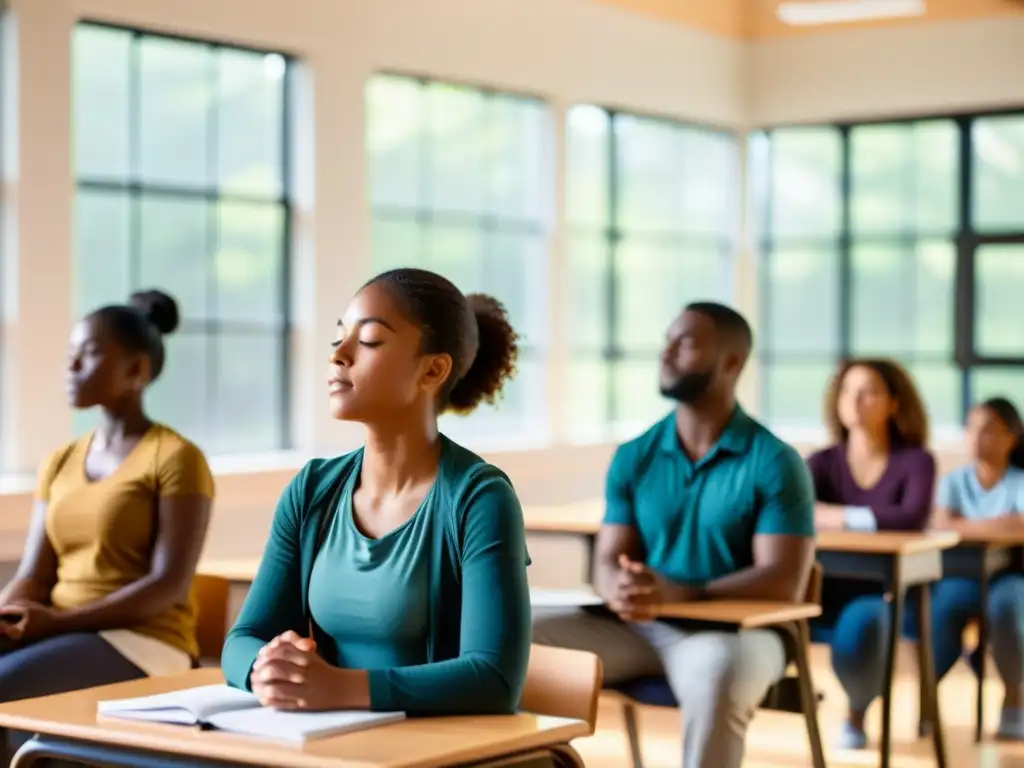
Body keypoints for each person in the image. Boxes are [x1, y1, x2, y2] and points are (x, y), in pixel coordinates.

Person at [221, 268, 531, 718]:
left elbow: (494, 680)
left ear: (432, 369)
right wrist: (265, 670)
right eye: (338, 339)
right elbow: (243, 638)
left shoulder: (480, 497)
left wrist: (340, 688)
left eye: (367, 341)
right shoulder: (311, 491)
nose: (339, 356)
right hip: (331, 744)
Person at [532, 303, 816, 768]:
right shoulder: (634, 456)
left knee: (717, 674)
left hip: (737, 634)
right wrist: (618, 587)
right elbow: (608, 559)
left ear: (731, 362)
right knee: (514, 645)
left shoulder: (775, 462)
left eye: (684, 343)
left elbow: (783, 579)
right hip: (638, 627)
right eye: (667, 340)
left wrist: (685, 592)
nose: (665, 353)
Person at [0, 291, 213, 756]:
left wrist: (56, 622)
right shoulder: (59, 462)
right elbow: (35, 575)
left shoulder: (177, 458)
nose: (71, 366)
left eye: (90, 353)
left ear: (136, 370)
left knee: (4, 688)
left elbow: (168, 585)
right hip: (61, 631)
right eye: (71, 353)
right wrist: (7, 611)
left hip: (144, 643)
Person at [805, 358, 935, 750]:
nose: (855, 400)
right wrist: (869, 519)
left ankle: (857, 711)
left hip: (881, 588)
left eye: (868, 391)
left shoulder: (916, 461)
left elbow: (910, 517)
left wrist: (837, 516)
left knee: (864, 625)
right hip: (819, 585)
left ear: (894, 403)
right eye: (847, 390)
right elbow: (797, 511)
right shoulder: (821, 461)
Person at [931, 396, 1024, 739]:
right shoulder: (954, 481)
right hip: (962, 574)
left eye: (987, 431)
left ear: (1010, 437)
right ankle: (929, 694)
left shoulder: (1018, 480)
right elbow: (941, 526)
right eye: (971, 429)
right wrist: (1002, 524)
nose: (976, 438)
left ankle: (1015, 697)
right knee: (942, 608)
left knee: (1008, 610)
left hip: (1010, 575)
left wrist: (963, 525)